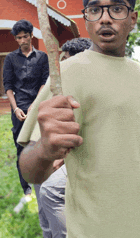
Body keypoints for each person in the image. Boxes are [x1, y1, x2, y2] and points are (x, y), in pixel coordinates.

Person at [18, 0, 140, 238]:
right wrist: (45, 149)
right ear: (87, 20)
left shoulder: (138, 72)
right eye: (95, 10)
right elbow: (30, 168)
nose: (105, 18)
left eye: (117, 8)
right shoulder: (69, 73)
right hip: (103, 228)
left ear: (133, 18)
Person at [3, 19, 51, 237]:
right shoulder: (10, 58)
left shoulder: (42, 57)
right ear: (16, 39)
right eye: (18, 37)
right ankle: (27, 188)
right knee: (20, 148)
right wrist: (16, 109)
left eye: (25, 36)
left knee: (41, 144)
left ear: (32, 35)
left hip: (38, 107)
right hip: (19, 111)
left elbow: (44, 82)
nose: (22, 40)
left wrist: (35, 104)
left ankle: (44, 180)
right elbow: (8, 86)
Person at [39, 38, 91, 238]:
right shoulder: (63, 86)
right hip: (63, 150)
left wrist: (63, 158)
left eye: (68, 61)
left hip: (87, 155)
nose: (63, 66)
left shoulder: (89, 86)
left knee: (50, 190)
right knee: (41, 184)